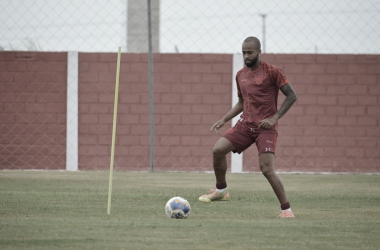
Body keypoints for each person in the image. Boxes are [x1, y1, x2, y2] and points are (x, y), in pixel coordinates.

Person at [199, 36, 297, 218]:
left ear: (259, 52)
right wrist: (224, 119)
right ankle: (221, 192)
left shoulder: (272, 71)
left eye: (250, 52)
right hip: (245, 125)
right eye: (244, 52)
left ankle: (286, 210)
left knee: (266, 169)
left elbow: (291, 96)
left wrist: (274, 118)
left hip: (265, 128)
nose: (246, 56)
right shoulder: (241, 75)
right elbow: (242, 103)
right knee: (218, 150)